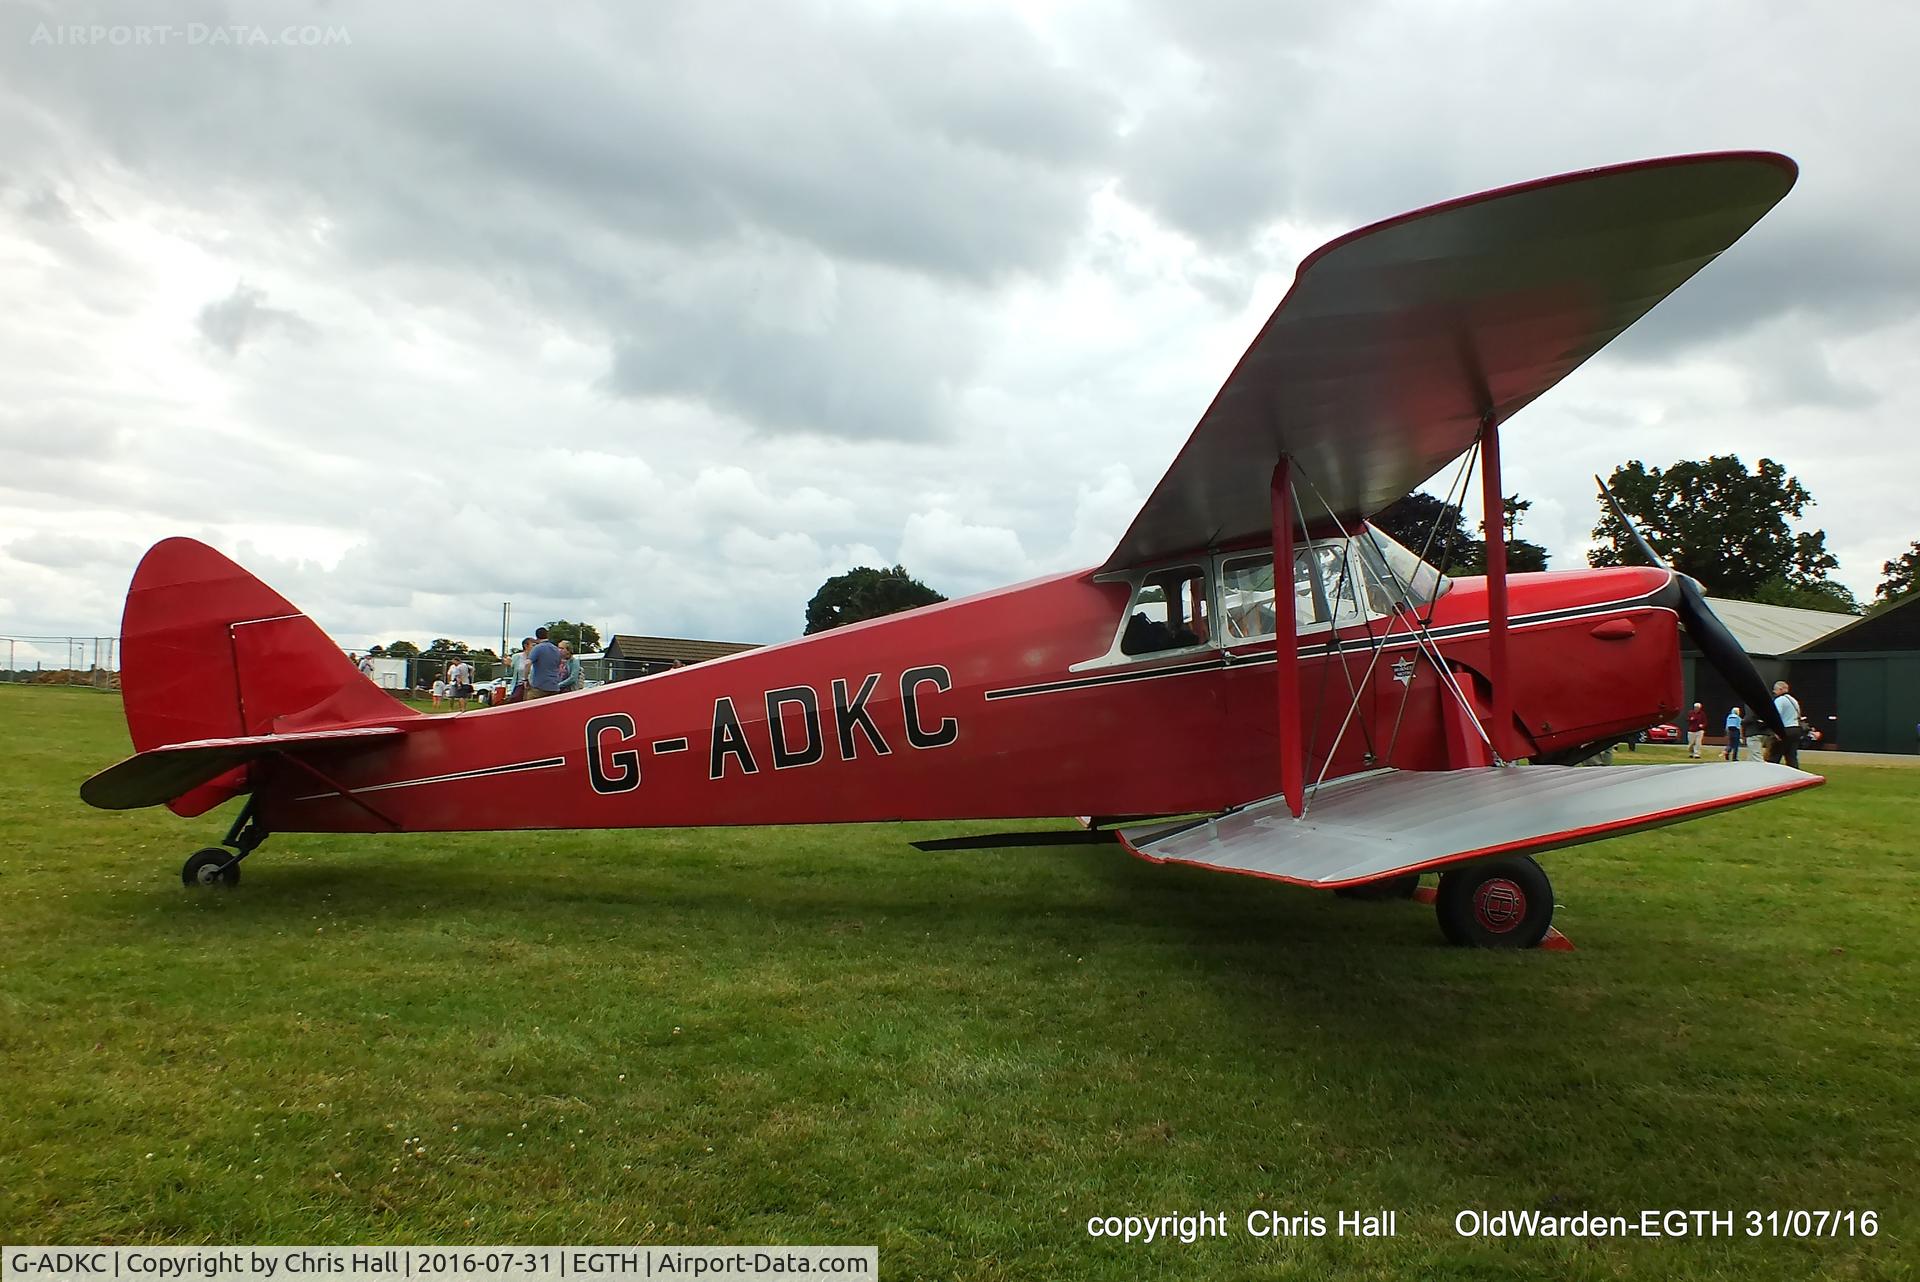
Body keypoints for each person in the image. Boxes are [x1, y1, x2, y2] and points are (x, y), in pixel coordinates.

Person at [1765, 680, 1804, 768]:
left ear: (1781, 689)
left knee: (1774, 756)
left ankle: (1771, 776)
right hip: (1796, 729)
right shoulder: (1794, 700)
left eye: (1775, 690)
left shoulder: (1780, 700)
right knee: (1791, 757)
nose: (1774, 692)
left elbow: (1776, 716)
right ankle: (1795, 776)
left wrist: (1776, 731)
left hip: (1785, 730)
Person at [528, 628, 567, 699]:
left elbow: (527, 663)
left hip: (539, 686)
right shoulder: (556, 649)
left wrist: (525, 679)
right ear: (547, 635)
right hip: (554, 686)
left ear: (536, 637)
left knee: (529, 706)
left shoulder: (537, 648)